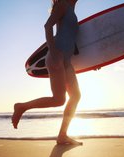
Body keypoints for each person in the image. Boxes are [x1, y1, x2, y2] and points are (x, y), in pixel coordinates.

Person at [12, 0, 82, 145]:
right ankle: (21, 107)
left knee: (75, 96)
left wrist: (97, 61)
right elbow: (48, 25)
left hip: (66, 62)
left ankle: (62, 135)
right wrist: (54, 51)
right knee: (59, 99)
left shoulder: (72, 10)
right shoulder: (62, 5)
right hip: (57, 58)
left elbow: (72, 42)